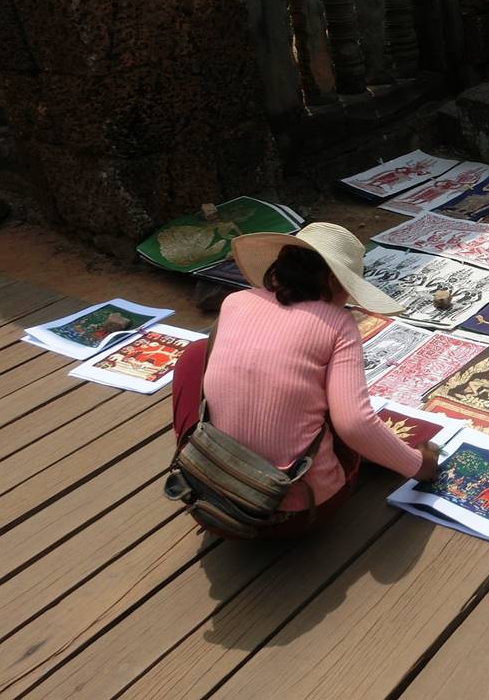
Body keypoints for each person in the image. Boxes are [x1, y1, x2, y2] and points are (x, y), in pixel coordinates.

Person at [170, 222, 438, 537]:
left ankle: (199, 456)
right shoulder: (338, 324)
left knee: (195, 355)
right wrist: (421, 465)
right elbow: (354, 424)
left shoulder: (235, 301)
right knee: (337, 406)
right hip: (294, 514)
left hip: (204, 492)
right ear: (333, 281)